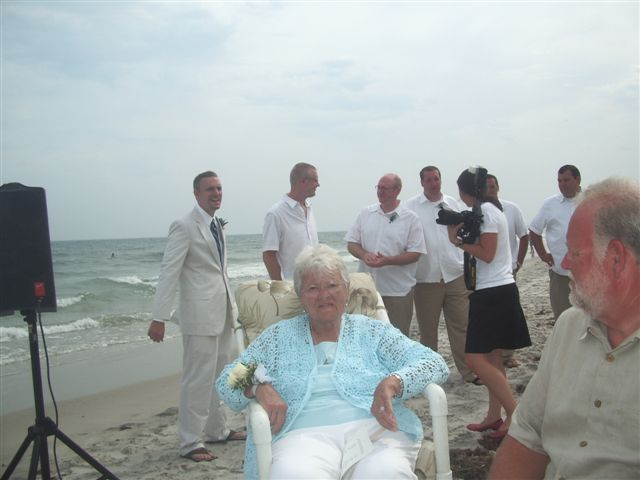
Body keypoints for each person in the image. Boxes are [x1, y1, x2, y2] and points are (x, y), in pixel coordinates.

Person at [216, 244, 449, 480]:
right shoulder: (278, 337)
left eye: (332, 286)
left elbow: (432, 362)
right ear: (300, 295)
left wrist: (394, 381)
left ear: (346, 290)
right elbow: (228, 378)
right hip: (301, 436)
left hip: (374, 429)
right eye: (312, 288)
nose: (323, 295)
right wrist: (258, 387)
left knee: (384, 473)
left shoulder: (371, 331)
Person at [489, 177, 640, 479]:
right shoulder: (570, 326)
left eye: (575, 252)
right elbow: (528, 435)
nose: (566, 263)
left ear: (616, 258)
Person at [148, 171, 245, 462]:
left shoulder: (217, 225)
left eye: (219, 188)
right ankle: (190, 442)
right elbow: (169, 271)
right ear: (196, 193)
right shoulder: (184, 226)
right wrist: (159, 317)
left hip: (223, 311)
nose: (216, 193)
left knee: (220, 375)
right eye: (210, 189)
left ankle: (217, 430)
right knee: (197, 379)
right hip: (199, 315)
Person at [447, 167, 531, 439]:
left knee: (474, 357)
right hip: (498, 289)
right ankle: (495, 415)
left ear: (464, 191)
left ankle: (514, 412)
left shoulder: (487, 212)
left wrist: (457, 242)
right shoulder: (490, 210)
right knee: (494, 357)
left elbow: (487, 254)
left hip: (492, 292)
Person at [405, 166, 476, 384]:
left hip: (455, 275)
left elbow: (468, 232)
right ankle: (430, 376)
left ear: (441, 180)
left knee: (462, 327)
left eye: (436, 179)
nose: (433, 183)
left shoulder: (454, 204)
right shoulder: (410, 208)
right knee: (428, 332)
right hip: (426, 279)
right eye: (428, 180)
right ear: (422, 182)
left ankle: (468, 372)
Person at [346, 174, 426, 335]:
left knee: (396, 337)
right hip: (366, 290)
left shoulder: (410, 218)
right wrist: (364, 255)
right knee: (364, 336)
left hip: (397, 292)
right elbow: (351, 243)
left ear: (397, 190)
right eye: (378, 187)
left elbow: (416, 253)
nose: (380, 192)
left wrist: (388, 260)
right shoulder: (366, 213)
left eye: (385, 188)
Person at [486, 173, 529, 369]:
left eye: (492, 186)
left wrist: (519, 261)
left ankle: (509, 354)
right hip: (485, 274)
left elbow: (524, 235)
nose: (490, 190)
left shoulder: (511, 209)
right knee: (489, 315)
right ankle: (493, 353)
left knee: (509, 313)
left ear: (498, 187)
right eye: (486, 187)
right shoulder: (478, 211)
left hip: (507, 271)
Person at [529, 165, 582, 320]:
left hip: (588, 273)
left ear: (577, 179)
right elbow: (534, 230)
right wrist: (543, 255)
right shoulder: (550, 204)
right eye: (559, 181)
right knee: (563, 317)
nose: (562, 184)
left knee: (591, 319)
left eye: (566, 180)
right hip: (560, 273)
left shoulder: (590, 201)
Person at [262, 162, 319, 281]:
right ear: (303, 181)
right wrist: (280, 286)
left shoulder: (309, 209)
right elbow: (269, 255)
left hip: (312, 284)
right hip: (290, 286)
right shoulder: (276, 213)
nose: (318, 184)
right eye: (315, 180)